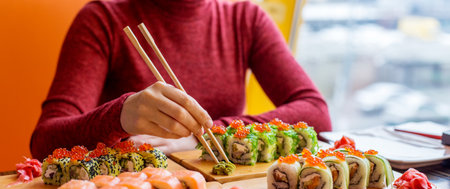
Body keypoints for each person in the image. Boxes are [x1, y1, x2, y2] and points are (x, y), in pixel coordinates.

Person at [30, 0, 332, 161]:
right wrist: (119, 116)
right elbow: (44, 141)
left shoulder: (246, 19)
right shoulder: (103, 18)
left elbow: (316, 114)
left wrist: (210, 134)